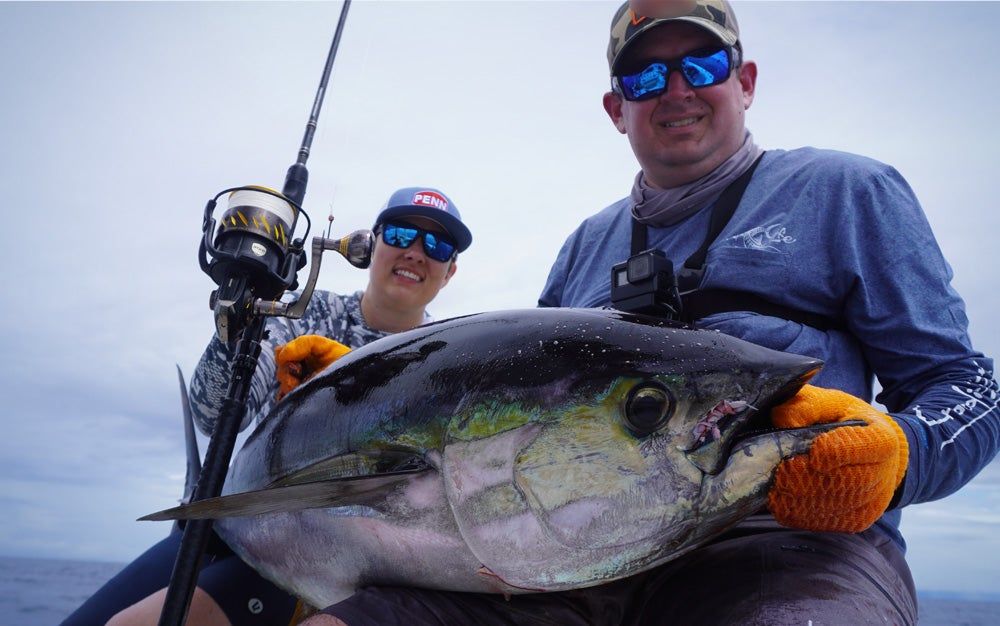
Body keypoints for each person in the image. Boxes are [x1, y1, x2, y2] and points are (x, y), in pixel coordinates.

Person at [302, 2, 999, 625]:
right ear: (617, 110)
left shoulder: (847, 192)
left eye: (701, 63)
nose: (675, 89)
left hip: (785, 550)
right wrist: (367, 392)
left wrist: (900, 457)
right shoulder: (584, 249)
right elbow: (499, 409)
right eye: (644, 77)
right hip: (566, 563)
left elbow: (972, 389)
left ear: (746, 81)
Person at [60, 186, 472, 626]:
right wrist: (234, 321)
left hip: (356, 564)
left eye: (436, 244)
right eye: (401, 234)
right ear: (371, 243)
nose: (414, 251)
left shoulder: (453, 361)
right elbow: (214, 412)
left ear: (449, 271)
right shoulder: (307, 313)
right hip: (233, 523)